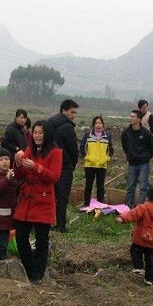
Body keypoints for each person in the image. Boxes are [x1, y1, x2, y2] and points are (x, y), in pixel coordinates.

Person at [13, 121, 63, 284]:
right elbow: (20, 175)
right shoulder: (29, 150)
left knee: (42, 239)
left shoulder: (55, 152)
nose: (37, 136)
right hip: (26, 200)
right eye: (35, 132)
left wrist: (36, 167)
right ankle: (28, 268)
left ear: (47, 134)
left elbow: (54, 177)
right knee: (20, 236)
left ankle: (38, 272)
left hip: (43, 200)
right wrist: (18, 163)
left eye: (41, 133)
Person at [115, 187, 153, 286]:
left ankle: (138, 267)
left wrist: (122, 218)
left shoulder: (143, 208)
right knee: (152, 261)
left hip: (140, 240)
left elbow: (132, 214)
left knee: (134, 250)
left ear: (147, 197)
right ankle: (150, 280)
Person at [45, 99, 79, 233]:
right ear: (64, 111)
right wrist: (73, 163)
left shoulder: (49, 124)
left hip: (50, 165)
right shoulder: (67, 127)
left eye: (75, 113)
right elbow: (73, 149)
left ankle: (47, 222)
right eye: (72, 112)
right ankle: (60, 225)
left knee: (50, 196)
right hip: (64, 166)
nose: (74, 115)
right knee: (62, 198)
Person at [121, 110, 153, 208]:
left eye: (133, 117)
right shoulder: (126, 132)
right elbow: (124, 146)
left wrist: (146, 157)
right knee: (131, 186)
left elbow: (152, 148)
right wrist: (129, 155)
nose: (131, 118)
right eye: (130, 116)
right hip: (132, 163)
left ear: (139, 119)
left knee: (143, 187)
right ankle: (129, 206)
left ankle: (140, 208)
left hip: (144, 163)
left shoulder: (146, 133)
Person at [79, 115, 113, 206]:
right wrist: (88, 158)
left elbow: (111, 150)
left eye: (100, 123)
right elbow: (82, 148)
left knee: (100, 187)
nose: (98, 125)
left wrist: (106, 159)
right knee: (88, 186)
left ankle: (99, 205)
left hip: (102, 166)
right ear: (93, 125)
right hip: (90, 165)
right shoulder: (88, 135)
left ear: (103, 125)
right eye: (96, 123)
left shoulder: (107, 137)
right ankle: (86, 204)